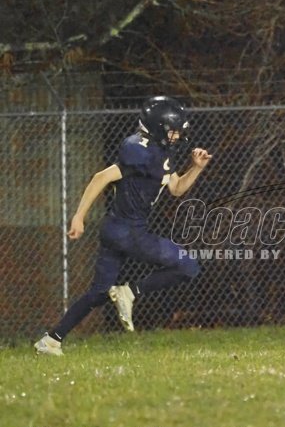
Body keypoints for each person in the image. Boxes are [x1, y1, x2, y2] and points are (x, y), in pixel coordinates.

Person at [34, 96, 211, 355]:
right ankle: (130, 292)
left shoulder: (159, 151)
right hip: (129, 231)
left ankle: (51, 340)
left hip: (115, 230)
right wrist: (79, 216)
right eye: (173, 130)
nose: (176, 136)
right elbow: (101, 177)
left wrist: (195, 168)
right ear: (158, 127)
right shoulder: (138, 150)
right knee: (188, 265)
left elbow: (176, 188)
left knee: (98, 293)